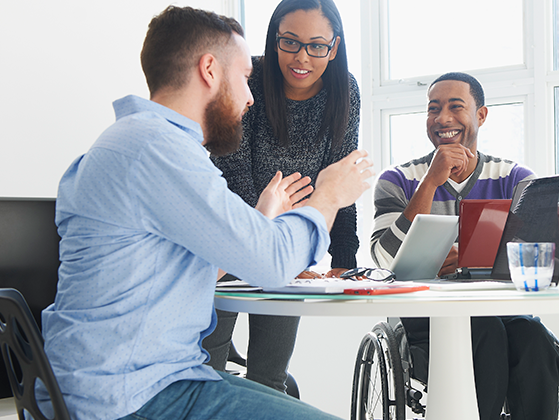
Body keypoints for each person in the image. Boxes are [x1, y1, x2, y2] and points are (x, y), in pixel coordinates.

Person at [39, 6, 372, 420]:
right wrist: (327, 197)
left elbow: (191, 265)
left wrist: (262, 217)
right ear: (210, 70)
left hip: (118, 380)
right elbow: (272, 266)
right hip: (134, 394)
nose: (251, 96)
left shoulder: (134, 141)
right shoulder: (161, 153)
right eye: (246, 78)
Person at [370, 72, 559, 420]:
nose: (442, 118)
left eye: (455, 107)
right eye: (433, 109)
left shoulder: (516, 179)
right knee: (482, 327)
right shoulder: (397, 181)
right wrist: (431, 180)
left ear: (481, 115)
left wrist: (476, 263)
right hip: (426, 316)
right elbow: (384, 259)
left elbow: (537, 255)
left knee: (534, 336)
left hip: (500, 307)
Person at [203, 0, 359, 393]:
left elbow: (340, 181)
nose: (302, 57)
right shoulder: (248, 80)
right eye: (289, 42)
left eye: (316, 46)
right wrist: (258, 234)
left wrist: (344, 262)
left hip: (288, 251)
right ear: (274, 39)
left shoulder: (345, 90)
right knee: (208, 370)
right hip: (230, 238)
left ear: (334, 47)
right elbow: (230, 167)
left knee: (269, 378)